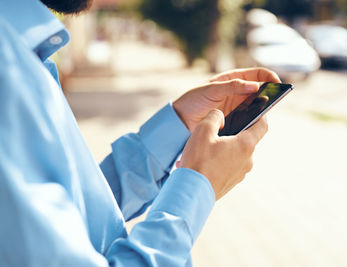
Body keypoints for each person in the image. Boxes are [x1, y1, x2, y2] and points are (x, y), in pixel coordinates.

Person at [0, 0, 280, 266]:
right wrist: (196, 188)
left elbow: (71, 212)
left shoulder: (19, 48)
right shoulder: (7, 65)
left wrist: (180, 122)